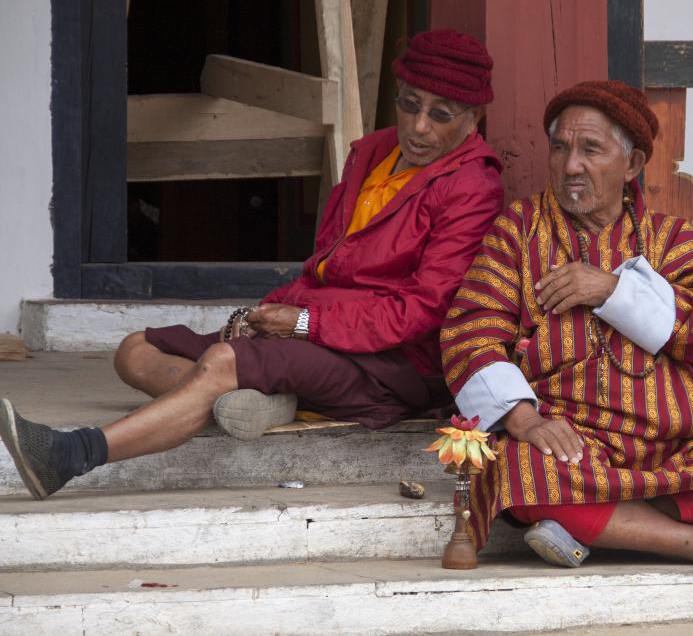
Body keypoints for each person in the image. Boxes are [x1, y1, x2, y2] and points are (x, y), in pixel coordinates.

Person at [1, 28, 505, 501]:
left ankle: (72, 454)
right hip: (320, 330)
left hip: (392, 365)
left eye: (441, 114)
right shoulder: (372, 153)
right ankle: (264, 399)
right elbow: (324, 267)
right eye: (410, 104)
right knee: (135, 350)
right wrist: (274, 312)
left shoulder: (472, 186)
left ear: (473, 118)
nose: (418, 127)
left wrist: (306, 323)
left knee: (221, 363)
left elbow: (420, 311)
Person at [441, 80, 693, 569]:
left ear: (631, 165)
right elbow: (471, 333)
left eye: (591, 149)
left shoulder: (673, 239)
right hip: (573, 443)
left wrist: (610, 290)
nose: (571, 165)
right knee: (522, 474)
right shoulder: (518, 231)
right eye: (561, 147)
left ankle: (595, 522)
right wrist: (527, 422)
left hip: (676, 445)